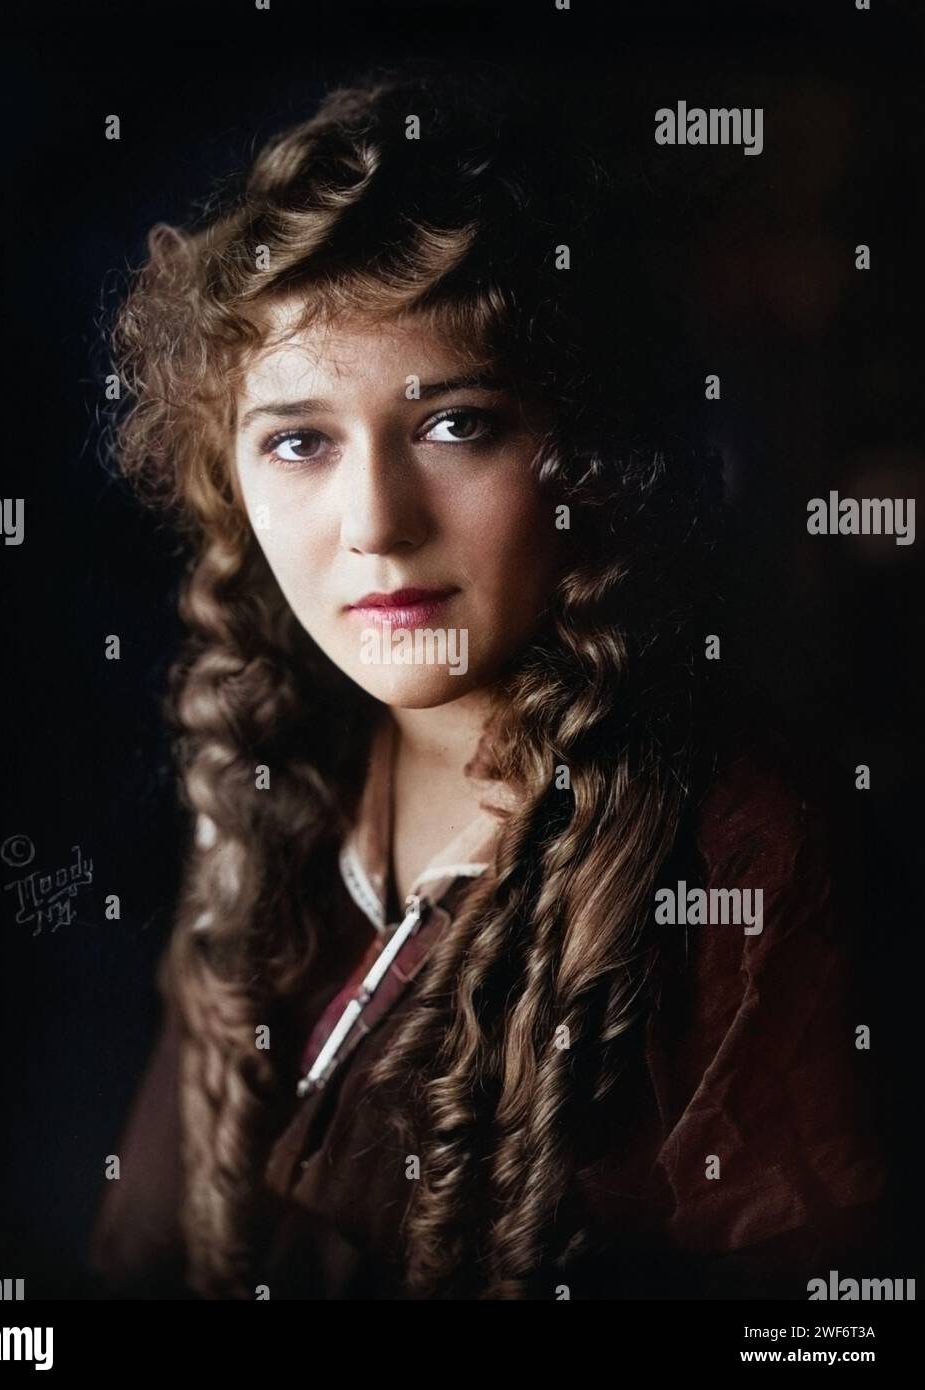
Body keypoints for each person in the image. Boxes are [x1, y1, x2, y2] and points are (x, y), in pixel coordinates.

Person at [88, 65, 892, 1300]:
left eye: (455, 424)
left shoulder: (739, 861)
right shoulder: (277, 792)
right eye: (299, 441)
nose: (375, 524)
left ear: (588, 447)